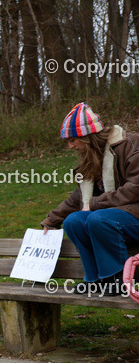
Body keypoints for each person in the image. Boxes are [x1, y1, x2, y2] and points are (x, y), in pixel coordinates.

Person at [43, 102, 139, 297]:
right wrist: (52, 220)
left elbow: (136, 187)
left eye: (73, 140)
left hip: (134, 215)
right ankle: (94, 280)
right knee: (74, 221)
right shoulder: (93, 155)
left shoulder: (130, 144)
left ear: (88, 137)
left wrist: (95, 204)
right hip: (116, 215)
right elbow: (78, 196)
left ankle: (118, 278)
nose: (70, 146)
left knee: (98, 218)